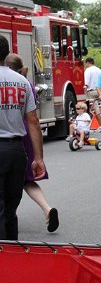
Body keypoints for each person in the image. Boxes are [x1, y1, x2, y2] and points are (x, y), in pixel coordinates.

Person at [5, 53, 59, 232]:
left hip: (11, 133)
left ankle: (7, 218)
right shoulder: (26, 83)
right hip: (27, 134)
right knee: (25, 178)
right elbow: (33, 118)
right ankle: (47, 209)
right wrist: (39, 157)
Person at [0, 36, 46, 240]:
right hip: (17, 151)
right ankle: (12, 250)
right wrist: (38, 158)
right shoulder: (22, 82)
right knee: (11, 209)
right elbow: (33, 121)